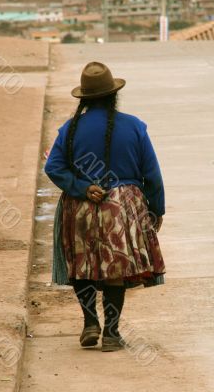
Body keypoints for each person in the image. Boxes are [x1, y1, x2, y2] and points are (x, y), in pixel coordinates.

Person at [45, 62, 166, 352]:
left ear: (84, 98)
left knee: (82, 266)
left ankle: (90, 323)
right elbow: (152, 175)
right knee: (115, 270)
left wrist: (82, 187)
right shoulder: (135, 126)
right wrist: (156, 210)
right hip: (123, 208)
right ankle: (111, 333)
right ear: (113, 95)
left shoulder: (69, 129)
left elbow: (54, 167)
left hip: (80, 205)